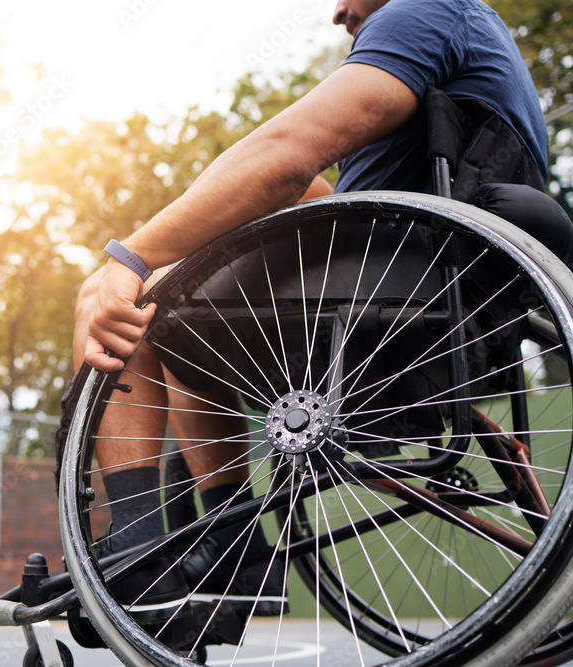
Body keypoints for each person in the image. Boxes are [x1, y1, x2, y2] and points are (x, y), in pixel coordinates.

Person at [68, 0, 562, 615]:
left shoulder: (423, 11)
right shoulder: (474, 42)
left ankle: (138, 558)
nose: (337, 12)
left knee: (123, 299)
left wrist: (131, 256)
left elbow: (290, 151)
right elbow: (316, 188)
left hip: (378, 314)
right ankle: (225, 547)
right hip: (440, 314)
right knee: (194, 287)